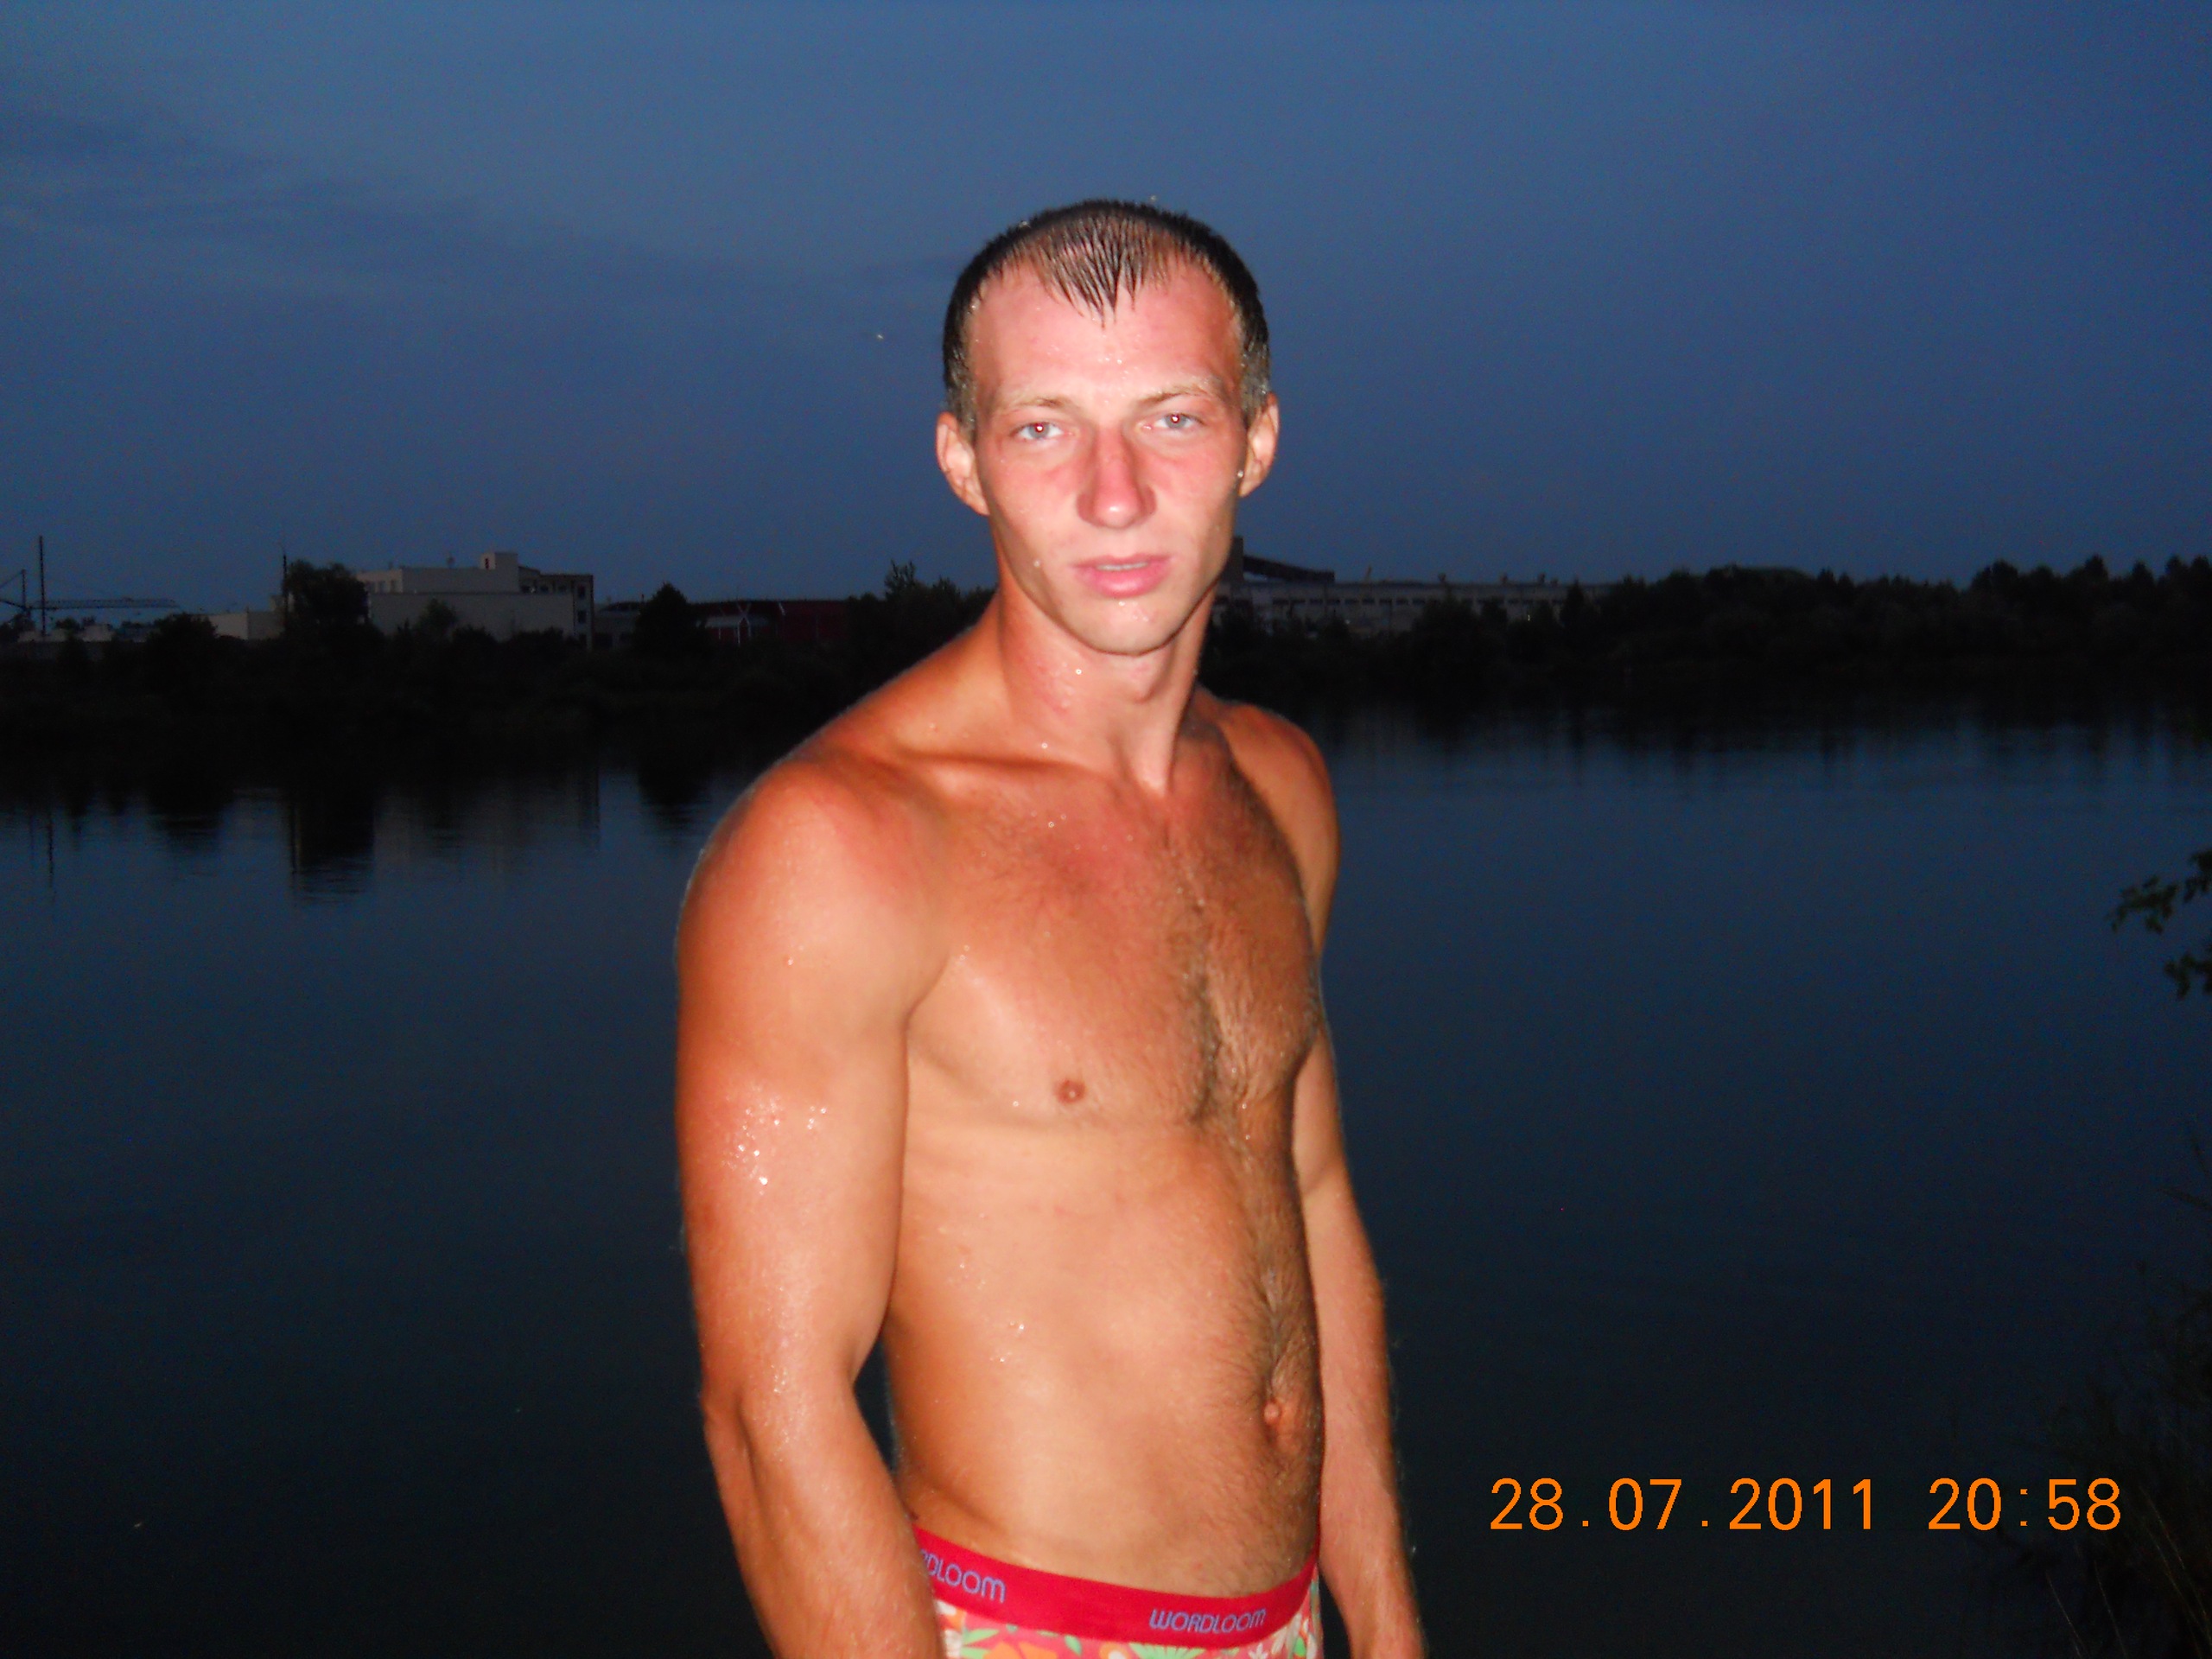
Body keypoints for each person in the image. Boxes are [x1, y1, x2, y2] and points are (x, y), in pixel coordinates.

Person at [676, 200, 1422, 1659]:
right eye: (1042, 429)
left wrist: (1385, 1626)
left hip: (1287, 1624)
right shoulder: (842, 849)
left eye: (1172, 418)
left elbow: (1315, 1203)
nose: (1114, 495)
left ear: (1259, 439)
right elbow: (773, 1409)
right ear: (963, 461)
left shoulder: (1280, 789)